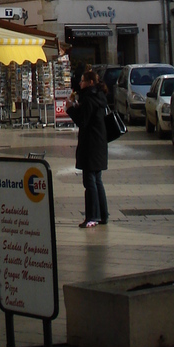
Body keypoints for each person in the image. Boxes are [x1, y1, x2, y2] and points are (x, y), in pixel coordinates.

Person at [67, 64, 109, 228]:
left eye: (83, 81)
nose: (80, 83)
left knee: (90, 181)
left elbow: (83, 121)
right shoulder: (99, 96)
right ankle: (102, 215)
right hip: (99, 144)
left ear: (91, 82)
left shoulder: (89, 98)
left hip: (91, 145)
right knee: (97, 180)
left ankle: (93, 216)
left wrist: (71, 109)